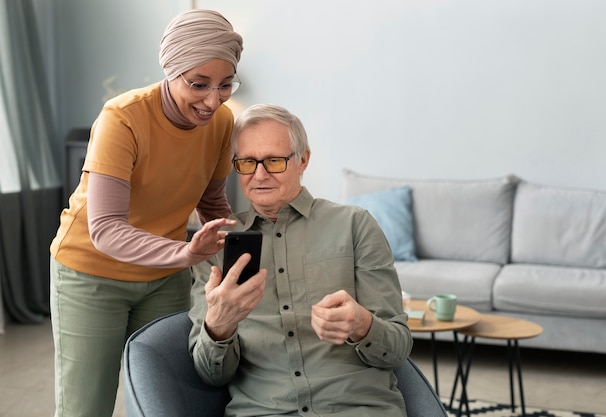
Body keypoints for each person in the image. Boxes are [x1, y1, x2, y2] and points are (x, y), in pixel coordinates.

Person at [49, 9, 243, 417]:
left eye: (225, 85)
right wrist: (187, 254)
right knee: (87, 405)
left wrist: (244, 244)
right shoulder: (123, 118)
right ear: (171, 71)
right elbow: (105, 228)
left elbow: (212, 204)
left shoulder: (223, 121)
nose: (213, 100)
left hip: (163, 279)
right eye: (199, 84)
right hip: (91, 273)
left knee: (168, 398)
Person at [189, 104, 414, 417]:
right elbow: (211, 375)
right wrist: (219, 325)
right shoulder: (215, 245)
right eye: (247, 162)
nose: (260, 175)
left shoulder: (355, 225)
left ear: (303, 160)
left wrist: (362, 325)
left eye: (274, 161)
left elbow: (398, 348)